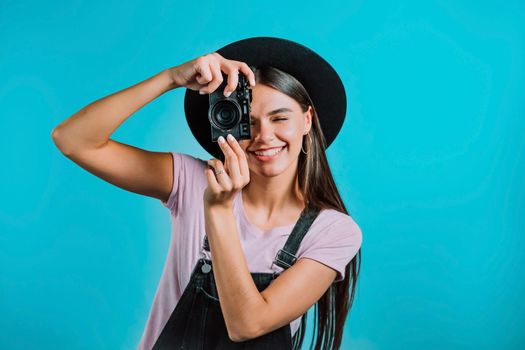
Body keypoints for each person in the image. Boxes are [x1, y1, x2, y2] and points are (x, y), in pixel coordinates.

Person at [51, 36, 362, 350]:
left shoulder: (333, 232)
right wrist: (170, 78)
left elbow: (246, 324)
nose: (265, 136)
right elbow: (73, 140)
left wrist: (218, 211)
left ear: (307, 120)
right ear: (226, 126)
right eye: (247, 122)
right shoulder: (192, 180)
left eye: (280, 118)